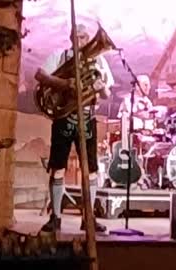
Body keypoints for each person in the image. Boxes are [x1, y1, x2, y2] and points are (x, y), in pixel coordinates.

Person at [34, 23, 114, 232]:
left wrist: (101, 87)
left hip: (87, 118)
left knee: (92, 170)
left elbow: (107, 94)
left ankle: (89, 217)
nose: (82, 41)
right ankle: (56, 217)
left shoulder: (99, 60)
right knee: (58, 166)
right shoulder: (59, 57)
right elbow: (40, 76)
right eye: (77, 37)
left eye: (85, 37)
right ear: (71, 38)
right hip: (63, 117)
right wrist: (66, 84)